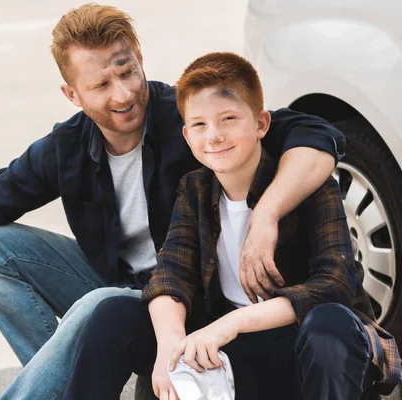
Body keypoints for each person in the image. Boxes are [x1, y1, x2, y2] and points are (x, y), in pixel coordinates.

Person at [0, 4, 347, 400]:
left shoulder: (195, 120)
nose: (121, 94)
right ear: (72, 94)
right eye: (100, 84)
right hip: (135, 294)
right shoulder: (65, 148)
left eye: (126, 72)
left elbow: (316, 135)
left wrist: (266, 214)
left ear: (140, 59)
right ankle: (61, 381)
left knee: (98, 306)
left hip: (192, 301)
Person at [63, 52, 402, 400]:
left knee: (331, 324)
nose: (214, 136)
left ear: (261, 124)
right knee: (112, 315)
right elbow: (170, 273)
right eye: (199, 125)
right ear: (186, 134)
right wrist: (169, 343)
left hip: (304, 355)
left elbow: (335, 285)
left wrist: (230, 324)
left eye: (228, 119)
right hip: (237, 360)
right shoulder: (194, 189)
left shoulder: (309, 186)